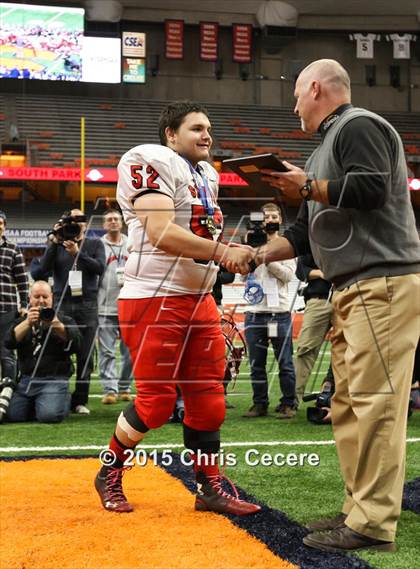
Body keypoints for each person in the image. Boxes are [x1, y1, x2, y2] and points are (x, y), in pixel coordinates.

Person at [247, 59, 420, 552]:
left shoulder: (359, 125)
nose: (293, 105)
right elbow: (303, 234)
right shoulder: (326, 147)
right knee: (347, 405)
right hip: (353, 288)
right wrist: (255, 254)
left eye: (297, 95)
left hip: (380, 282)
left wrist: (307, 186)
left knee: (375, 405)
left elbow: (370, 187)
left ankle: (371, 523)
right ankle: (359, 506)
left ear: (316, 88)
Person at [94, 100, 259, 516]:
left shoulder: (207, 173)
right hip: (153, 297)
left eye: (209, 128)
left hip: (198, 299)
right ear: (170, 134)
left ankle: (208, 488)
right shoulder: (148, 158)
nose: (206, 135)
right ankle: (109, 471)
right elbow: (162, 233)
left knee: (209, 400)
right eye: (196, 128)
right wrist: (224, 251)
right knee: (156, 403)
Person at [31, 209, 105, 415]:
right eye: (71, 220)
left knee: (86, 355)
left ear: (86, 224)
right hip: (62, 304)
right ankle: (56, 394)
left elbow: (100, 268)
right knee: (58, 351)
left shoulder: (95, 244)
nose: (75, 223)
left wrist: (77, 254)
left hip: (87, 304)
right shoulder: (57, 243)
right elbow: (40, 271)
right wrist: (54, 242)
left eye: (80, 220)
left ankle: (80, 400)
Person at [242, 203, 297, 419]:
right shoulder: (250, 244)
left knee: (284, 361)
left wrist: (267, 258)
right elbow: (242, 275)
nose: (270, 219)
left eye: (274, 216)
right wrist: (252, 254)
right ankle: (259, 404)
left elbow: (288, 276)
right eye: (266, 216)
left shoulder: (287, 246)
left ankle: (288, 403)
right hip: (254, 312)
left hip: (278, 313)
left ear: (280, 220)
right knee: (256, 363)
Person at [4, 281, 81, 423]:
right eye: (37, 296)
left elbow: (77, 343)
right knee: (12, 416)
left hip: (55, 379)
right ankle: (44, 403)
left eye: (45, 297)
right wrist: (27, 323)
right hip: (27, 380)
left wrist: (56, 325)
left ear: (52, 298)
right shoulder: (21, 321)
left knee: (49, 416)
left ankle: (60, 400)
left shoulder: (63, 319)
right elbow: (8, 342)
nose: (41, 301)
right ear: (29, 298)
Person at [97, 209, 132, 404]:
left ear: (122, 222)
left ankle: (125, 387)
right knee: (107, 351)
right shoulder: (98, 246)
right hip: (105, 307)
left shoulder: (131, 244)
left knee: (129, 352)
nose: (113, 222)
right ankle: (110, 389)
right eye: (109, 219)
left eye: (116, 219)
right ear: (104, 225)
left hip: (129, 306)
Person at [295, 252, 332, 403]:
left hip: (349, 297)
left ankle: (340, 395)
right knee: (305, 349)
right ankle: (293, 399)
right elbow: (301, 271)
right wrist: (324, 273)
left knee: (349, 350)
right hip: (319, 299)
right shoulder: (314, 239)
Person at [0, 210, 29, 383]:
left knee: (6, 350)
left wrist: (24, 304)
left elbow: (22, 280)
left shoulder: (13, 249)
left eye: (1, 223)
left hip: (7, 307)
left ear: (4, 226)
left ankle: (8, 387)